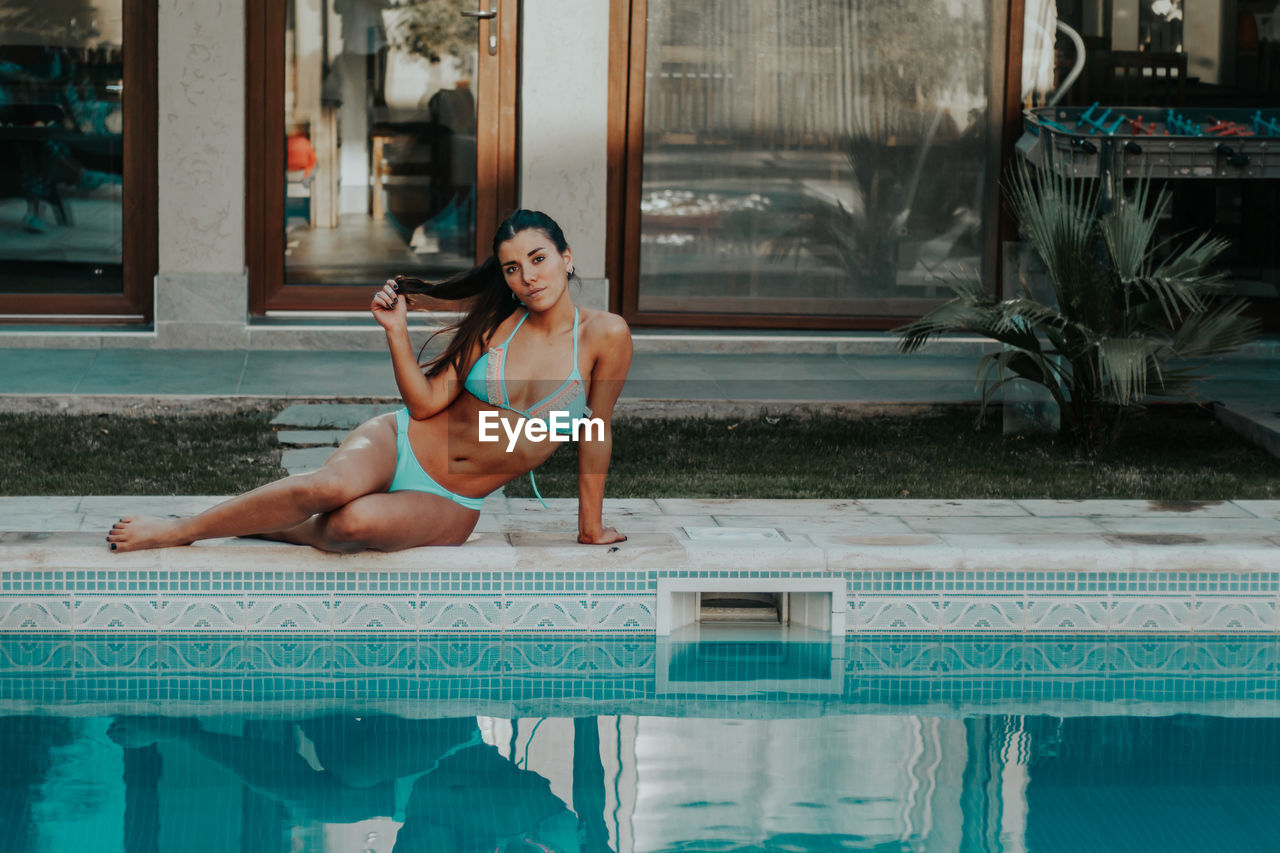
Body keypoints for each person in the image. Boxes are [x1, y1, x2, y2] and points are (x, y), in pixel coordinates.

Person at [107, 209, 632, 553]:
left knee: (345, 526)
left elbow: (595, 433)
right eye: (512, 268)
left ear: (566, 258)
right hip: (402, 440)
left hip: (454, 502)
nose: (528, 276)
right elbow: (426, 405)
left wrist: (590, 527)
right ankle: (181, 529)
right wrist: (396, 331)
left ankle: (266, 520)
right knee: (327, 487)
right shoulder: (496, 327)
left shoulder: (603, 336)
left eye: (538, 259)